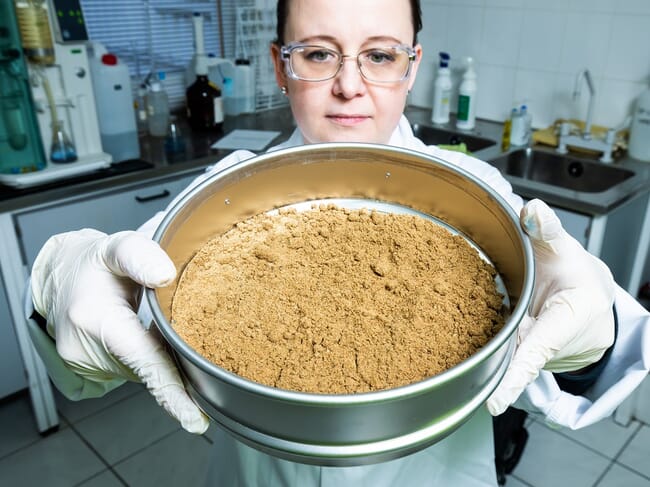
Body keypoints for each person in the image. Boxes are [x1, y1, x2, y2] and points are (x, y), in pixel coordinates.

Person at [26, 0, 650, 485]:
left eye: (380, 56)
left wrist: (596, 338)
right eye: (319, 54)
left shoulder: (481, 199)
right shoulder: (220, 195)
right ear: (280, 65)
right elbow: (106, 328)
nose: (350, 85)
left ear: (412, 64)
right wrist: (58, 287)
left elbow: (600, 353)